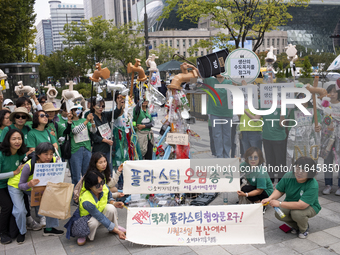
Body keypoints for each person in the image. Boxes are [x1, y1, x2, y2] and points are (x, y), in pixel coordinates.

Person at [9, 142, 64, 242]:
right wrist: (29, 184)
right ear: (38, 154)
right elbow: (21, 185)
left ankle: (49, 229)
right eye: (46, 154)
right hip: (16, 186)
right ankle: (22, 232)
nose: (49, 157)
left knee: (52, 201)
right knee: (20, 211)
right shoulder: (28, 166)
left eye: (51, 154)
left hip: (35, 188)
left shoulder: (54, 160)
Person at [262, 156, 321, 239]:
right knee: (279, 213)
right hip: (289, 203)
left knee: (297, 213)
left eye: (303, 171)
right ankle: (297, 226)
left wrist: (279, 203)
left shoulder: (313, 184)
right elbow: (279, 190)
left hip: (310, 206)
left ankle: (303, 229)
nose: (299, 172)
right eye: (297, 169)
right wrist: (270, 198)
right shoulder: (288, 175)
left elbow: (302, 205)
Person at [76, 170, 126, 246]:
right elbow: (100, 217)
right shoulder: (86, 200)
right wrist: (118, 232)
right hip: (87, 217)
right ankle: (84, 234)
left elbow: (109, 198)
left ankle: (113, 228)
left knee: (111, 208)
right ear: (90, 186)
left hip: (99, 212)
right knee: (93, 223)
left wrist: (115, 203)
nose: (101, 186)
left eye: (102, 182)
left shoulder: (104, 187)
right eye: (97, 185)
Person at [245, 107, 286, 183]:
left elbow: (281, 124)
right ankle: (270, 181)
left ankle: (281, 182)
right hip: (266, 138)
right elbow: (255, 119)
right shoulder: (265, 106)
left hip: (279, 138)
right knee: (269, 161)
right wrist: (244, 110)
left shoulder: (281, 106)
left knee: (280, 161)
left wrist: (282, 114)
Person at [0, 129, 27, 244]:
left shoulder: (21, 153)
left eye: (19, 138)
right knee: (7, 206)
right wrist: (14, 173)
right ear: (8, 140)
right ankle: (2, 232)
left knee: (20, 206)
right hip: (1, 185)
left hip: (12, 184)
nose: (17, 141)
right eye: (14, 139)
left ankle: (17, 230)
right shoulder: (1, 154)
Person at [66, 103, 97, 185]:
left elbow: (93, 131)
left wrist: (92, 121)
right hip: (75, 150)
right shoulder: (70, 122)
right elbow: (75, 131)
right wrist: (87, 121)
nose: (77, 111)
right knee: (76, 176)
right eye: (75, 109)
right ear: (72, 111)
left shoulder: (84, 120)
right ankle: (76, 195)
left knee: (87, 174)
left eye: (79, 109)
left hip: (86, 149)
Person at [90, 97, 123, 171]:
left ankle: (109, 182)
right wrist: (105, 140)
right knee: (100, 170)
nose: (100, 108)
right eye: (98, 106)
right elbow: (94, 136)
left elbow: (115, 113)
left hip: (108, 148)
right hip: (99, 148)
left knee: (109, 169)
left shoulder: (105, 115)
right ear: (93, 106)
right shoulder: (91, 118)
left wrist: (119, 103)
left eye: (103, 106)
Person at [204, 74, 233, 158]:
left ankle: (227, 155)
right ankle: (219, 155)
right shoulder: (210, 81)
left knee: (227, 135)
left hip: (227, 113)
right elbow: (201, 74)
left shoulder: (229, 82)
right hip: (214, 113)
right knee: (217, 135)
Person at [322, 84, 340, 195]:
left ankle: (339, 185)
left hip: (339, 137)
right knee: (327, 161)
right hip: (327, 137)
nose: (332, 94)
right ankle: (328, 184)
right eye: (330, 92)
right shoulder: (324, 105)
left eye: (334, 91)